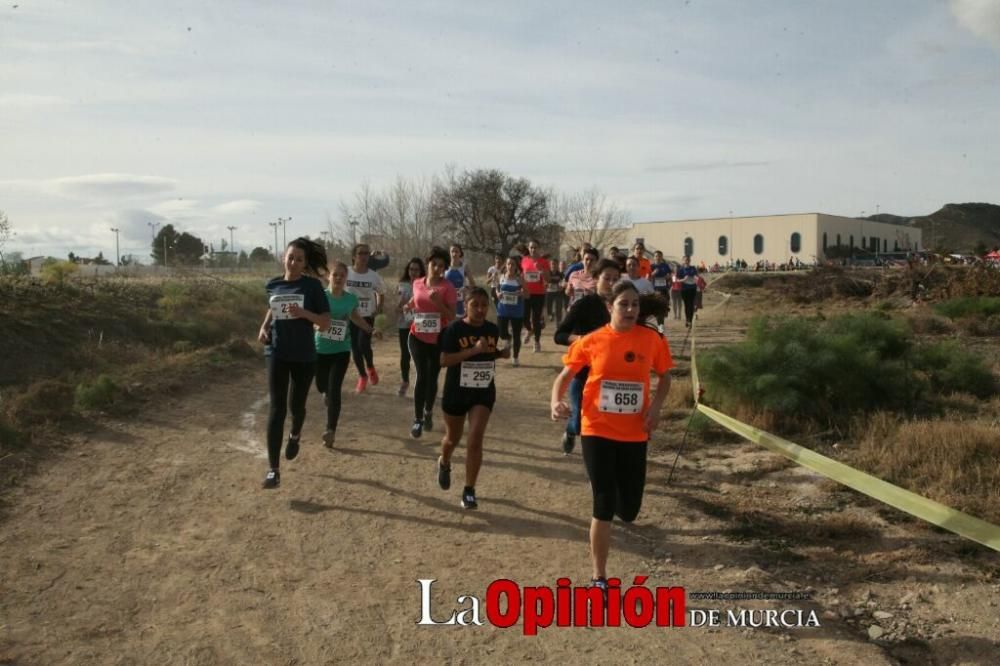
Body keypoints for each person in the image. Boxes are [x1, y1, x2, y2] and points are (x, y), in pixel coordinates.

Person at [550, 280, 673, 591]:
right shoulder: (592, 340)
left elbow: (665, 376)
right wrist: (556, 401)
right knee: (603, 502)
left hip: (634, 432)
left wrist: (656, 407)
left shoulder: (652, 340)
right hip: (597, 428)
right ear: (610, 307)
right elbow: (564, 376)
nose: (630, 309)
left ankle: (611, 490)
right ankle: (599, 576)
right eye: (623, 304)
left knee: (629, 510)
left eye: (634, 304)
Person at [257, 238, 331, 489]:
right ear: (283, 258)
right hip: (276, 351)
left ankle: (295, 434)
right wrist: (264, 327)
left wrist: (304, 314)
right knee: (277, 409)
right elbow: (273, 307)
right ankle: (273, 469)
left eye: (299, 259)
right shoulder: (273, 284)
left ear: (305, 263)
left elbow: (325, 323)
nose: (294, 262)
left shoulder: (312, 287)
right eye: (290, 257)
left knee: (295, 407)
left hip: (304, 355)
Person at [437, 287, 509, 509]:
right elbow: (444, 360)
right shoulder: (454, 329)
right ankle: (444, 461)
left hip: (483, 391)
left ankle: (469, 489)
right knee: (452, 439)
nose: (480, 309)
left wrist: (500, 353)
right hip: (456, 391)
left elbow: (488, 352)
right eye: (474, 305)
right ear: (465, 306)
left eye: (484, 305)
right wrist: (472, 351)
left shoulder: (492, 329)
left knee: (475, 438)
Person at [553, 258, 621, 455]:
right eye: (607, 278)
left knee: (607, 421)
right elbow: (560, 335)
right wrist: (582, 339)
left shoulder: (623, 306)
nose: (612, 283)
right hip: (583, 372)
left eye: (616, 279)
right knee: (579, 421)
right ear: (596, 279)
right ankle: (571, 431)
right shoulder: (584, 304)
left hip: (611, 374)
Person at [315, 261, 381, 449]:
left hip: (341, 351)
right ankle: (325, 392)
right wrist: (316, 325)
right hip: (320, 349)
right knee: (321, 385)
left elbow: (355, 317)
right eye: (335, 275)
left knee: (335, 390)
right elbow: (313, 318)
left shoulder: (350, 299)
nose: (338, 278)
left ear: (346, 278)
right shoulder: (320, 297)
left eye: (342, 276)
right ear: (329, 276)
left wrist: (371, 329)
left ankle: (330, 430)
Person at [405, 247, 457, 439]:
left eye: (441, 266)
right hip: (417, 336)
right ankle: (417, 419)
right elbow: (416, 299)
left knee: (432, 377)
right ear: (428, 264)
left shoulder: (448, 288)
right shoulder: (418, 283)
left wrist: (439, 304)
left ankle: (428, 411)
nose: (436, 268)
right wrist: (408, 305)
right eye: (434, 264)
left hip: (438, 339)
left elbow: (451, 316)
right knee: (421, 375)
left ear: (444, 268)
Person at [345, 243, 386, 393]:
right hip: (349, 315)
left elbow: (381, 292)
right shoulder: (347, 273)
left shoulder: (373, 275)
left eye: (366, 254)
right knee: (354, 347)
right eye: (361, 253)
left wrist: (379, 307)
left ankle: (370, 367)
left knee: (363, 344)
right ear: (354, 256)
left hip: (367, 315)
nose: (364, 256)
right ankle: (362, 377)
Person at [396, 258, 425, 397]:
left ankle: (422, 382)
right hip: (404, 324)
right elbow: (398, 306)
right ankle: (405, 381)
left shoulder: (425, 284)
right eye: (411, 269)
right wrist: (400, 305)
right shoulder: (402, 284)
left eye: (416, 269)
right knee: (405, 354)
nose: (413, 272)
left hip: (421, 324)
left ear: (421, 271)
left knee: (420, 355)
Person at [495, 256, 528, 367]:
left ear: (516, 266)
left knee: (517, 334)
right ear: (506, 265)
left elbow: (527, 294)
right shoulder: (501, 277)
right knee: (501, 332)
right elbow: (497, 289)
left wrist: (521, 293)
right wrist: (498, 294)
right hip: (503, 309)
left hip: (516, 311)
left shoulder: (519, 279)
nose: (510, 266)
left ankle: (515, 357)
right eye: (508, 264)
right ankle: (508, 338)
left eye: (513, 264)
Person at [520, 239, 551, 352]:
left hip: (539, 294)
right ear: (528, 248)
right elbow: (521, 276)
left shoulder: (543, 261)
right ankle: (529, 330)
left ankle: (536, 342)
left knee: (536, 319)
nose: (533, 249)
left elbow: (548, 279)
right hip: (527, 293)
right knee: (524, 317)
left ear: (539, 248)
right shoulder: (524, 260)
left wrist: (541, 270)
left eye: (535, 247)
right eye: (531, 247)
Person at [445, 243, 476, 318]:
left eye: (456, 251)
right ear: (449, 253)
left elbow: (473, 284)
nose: (454, 254)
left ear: (460, 253)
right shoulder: (445, 266)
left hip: (460, 303)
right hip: (447, 302)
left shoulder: (464, 266)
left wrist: (466, 288)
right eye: (452, 251)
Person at [676, 255, 699, 328]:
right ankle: (687, 319)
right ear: (683, 261)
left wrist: (696, 278)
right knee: (686, 305)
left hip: (692, 288)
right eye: (685, 260)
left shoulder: (693, 268)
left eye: (688, 260)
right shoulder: (680, 269)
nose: (687, 261)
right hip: (684, 289)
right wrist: (683, 280)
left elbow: (696, 276)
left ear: (690, 260)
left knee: (691, 305)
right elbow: (676, 280)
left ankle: (690, 321)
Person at [546, 260, 566, 324]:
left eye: (555, 264)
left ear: (557, 265)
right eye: (552, 264)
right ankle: (551, 314)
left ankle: (559, 322)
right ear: (550, 265)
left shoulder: (561, 274)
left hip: (558, 293)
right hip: (549, 292)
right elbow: (544, 281)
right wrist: (546, 284)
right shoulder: (547, 273)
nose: (553, 266)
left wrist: (562, 287)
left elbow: (563, 282)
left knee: (559, 308)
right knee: (549, 307)